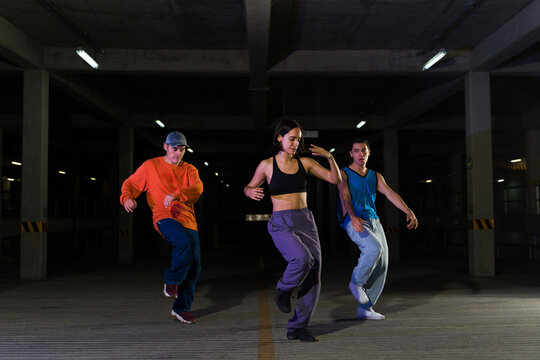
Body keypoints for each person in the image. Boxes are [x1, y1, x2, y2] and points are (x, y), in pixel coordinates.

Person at [244, 118, 342, 342]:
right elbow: (249, 186)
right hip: (281, 221)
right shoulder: (267, 165)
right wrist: (249, 191)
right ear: (280, 138)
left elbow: (335, 179)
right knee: (301, 258)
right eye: (291, 139)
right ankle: (283, 288)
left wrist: (330, 157)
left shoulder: (305, 163)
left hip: (305, 220)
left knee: (314, 273)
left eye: (298, 140)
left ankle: (297, 327)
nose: (295, 143)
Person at [120, 131, 203, 324]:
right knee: (183, 241)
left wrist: (177, 194)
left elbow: (197, 189)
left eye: (182, 150)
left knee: (195, 267)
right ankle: (172, 280)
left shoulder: (189, 170)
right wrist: (127, 197)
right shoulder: (151, 166)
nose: (178, 154)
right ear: (165, 146)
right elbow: (131, 183)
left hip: (188, 219)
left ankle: (180, 309)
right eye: (175, 149)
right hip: (164, 216)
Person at [337, 138, 418, 320]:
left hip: (374, 221)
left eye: (364, 150)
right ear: (351, 154)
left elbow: (390, 193)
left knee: (382, 264)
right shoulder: (344, 174)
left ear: (369, 153)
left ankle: (365, 308)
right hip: (354, 219)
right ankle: (356, 283)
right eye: (356, 151)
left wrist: (408, 211)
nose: (360, 154)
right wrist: (352, 217)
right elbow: (345, 197)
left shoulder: (375, 176)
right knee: (374, 249)